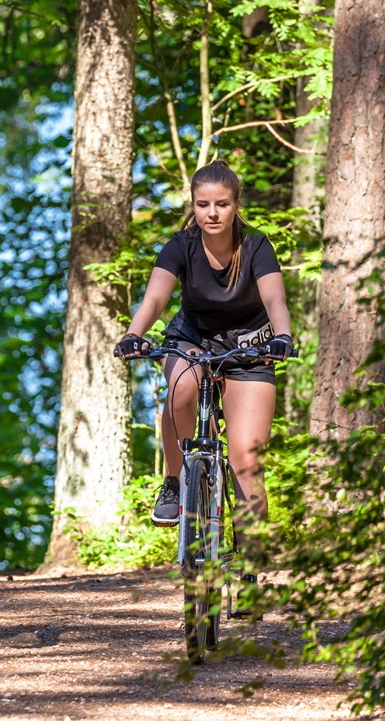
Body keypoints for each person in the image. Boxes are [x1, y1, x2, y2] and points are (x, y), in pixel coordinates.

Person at [113, 160, 292, 611]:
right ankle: (174, 483)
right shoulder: (181, 245)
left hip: (249, 348)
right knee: (181, 386)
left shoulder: (256, 246)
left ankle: (249, 575)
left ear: (236, 206)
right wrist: (136, 332)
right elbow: (156, 296)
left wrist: (283, 335)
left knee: (247, 464)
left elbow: (274, 298)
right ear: (192, 206)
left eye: (222, 204)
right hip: (191, 339)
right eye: (202, 204)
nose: (212, 213)